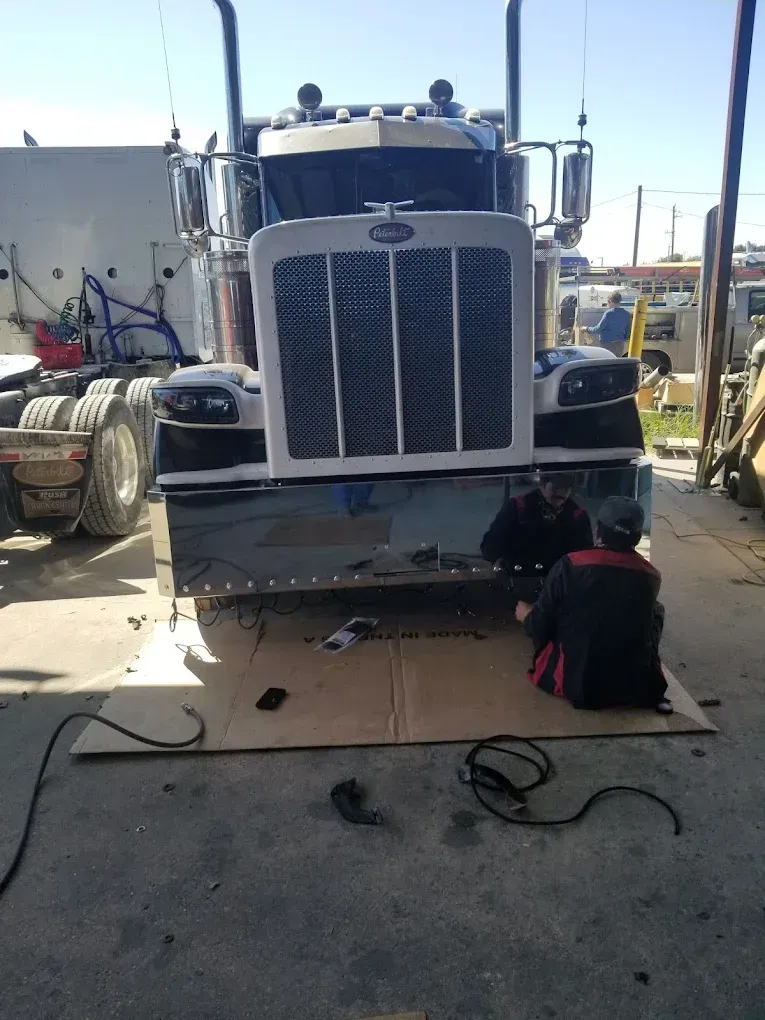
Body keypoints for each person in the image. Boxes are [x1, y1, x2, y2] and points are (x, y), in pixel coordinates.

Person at [514, 496, 672, 713]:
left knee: (553, 617)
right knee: (656, 610)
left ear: (599, 530)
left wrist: (526, 615)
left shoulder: (570, 564)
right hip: (632, 688)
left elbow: (540, 627)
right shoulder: (651, 575)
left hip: (578, 685)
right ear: (637, 538)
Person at [481, 475, 593, 600]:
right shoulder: (518, 507)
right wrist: (499, 565)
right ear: (542, 485)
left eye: (566, 487)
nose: (561, 492)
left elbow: (586, 555)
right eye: (556, 487)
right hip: (518, 582)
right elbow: (490, 544)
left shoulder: (577, 516)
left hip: (560, 587)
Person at [585, 291, 632, 356]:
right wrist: (622, 338)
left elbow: (598, 329)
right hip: (620, 344)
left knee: (607, 361)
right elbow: (627, 331)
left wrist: (586, 328)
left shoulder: (608, 313)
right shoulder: (626, 314)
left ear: (610, 300)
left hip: (607, 344)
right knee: (617, 360)